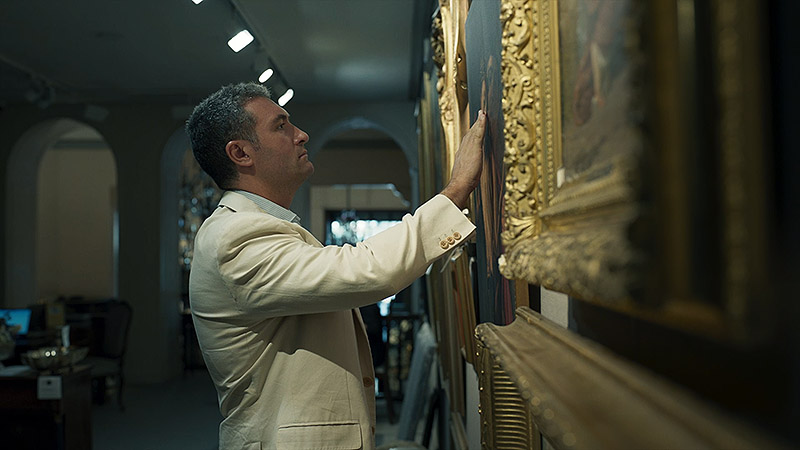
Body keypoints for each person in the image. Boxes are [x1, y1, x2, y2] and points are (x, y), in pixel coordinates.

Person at [186, 82, 485, 449]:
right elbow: (366, 271)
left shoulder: (255, 227)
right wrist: (455, 191)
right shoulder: (235, 236)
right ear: (241, 153)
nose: (301, 135)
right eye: (280, 126)